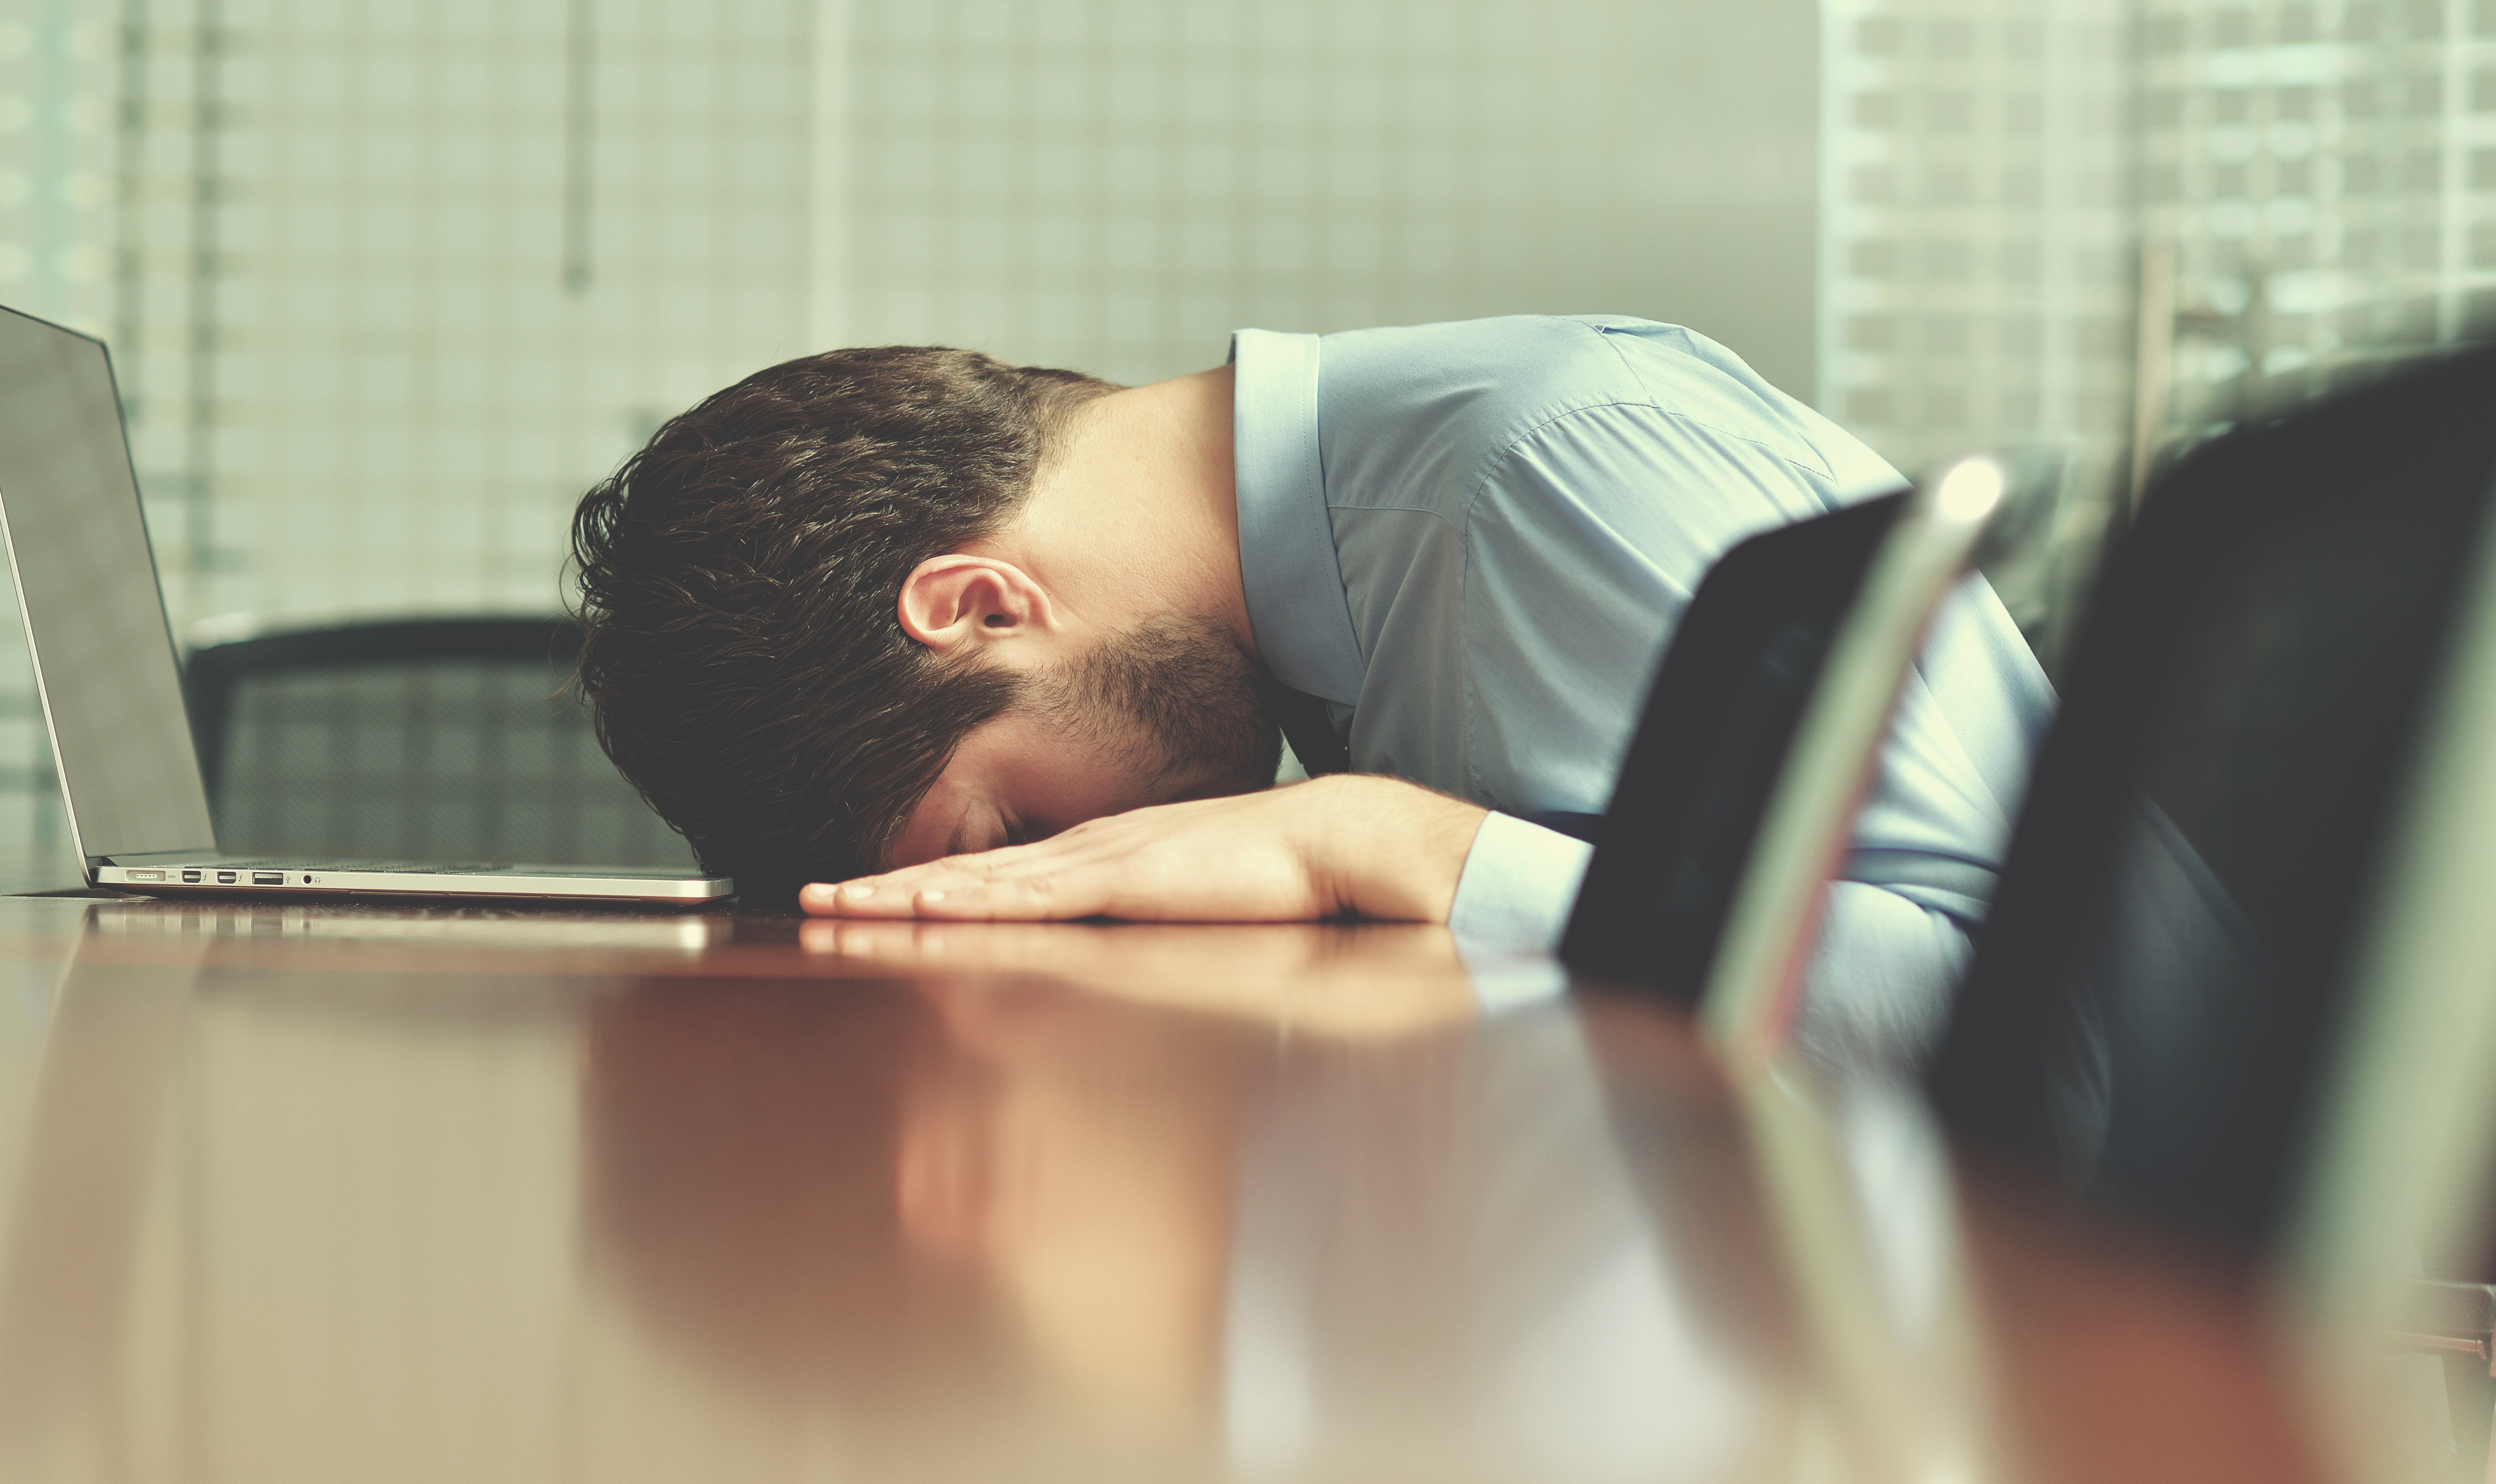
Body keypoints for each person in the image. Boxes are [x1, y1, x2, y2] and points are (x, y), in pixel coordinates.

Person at [569, 314, 2053, 980]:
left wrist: (1388, 843)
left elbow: (2038, 1040)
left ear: (976, 607)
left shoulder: (1536, 480)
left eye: (1010, 826)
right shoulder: (1346, 602)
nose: (1074, 867)